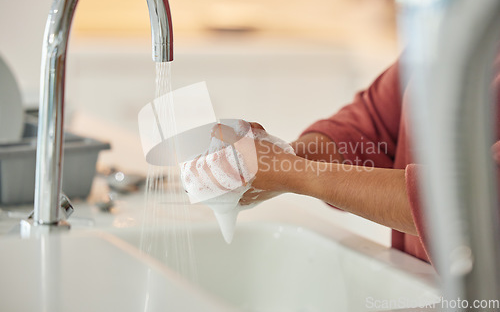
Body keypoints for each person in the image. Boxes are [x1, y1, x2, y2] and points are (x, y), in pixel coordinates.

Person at [183, 54, 500, 264]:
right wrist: (280, 155)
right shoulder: (460, 17)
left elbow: (476, 204)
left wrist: (292, 172)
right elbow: (371, 123)